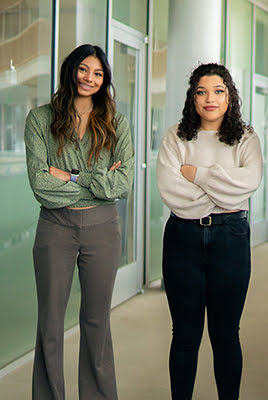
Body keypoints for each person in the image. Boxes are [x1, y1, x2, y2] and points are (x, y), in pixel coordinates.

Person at [24, 44, 134, 399]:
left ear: (105, 80)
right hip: (55, 227)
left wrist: (71, 178)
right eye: (84, 70)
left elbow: (123, 184)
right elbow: (41, 185)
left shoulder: (116, 122)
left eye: (98, 73)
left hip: (102, 228)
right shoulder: (40, 120)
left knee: (97, 321)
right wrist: (97, 179)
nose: (90, 78)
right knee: (51, 324)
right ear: (71, 70)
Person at [156, 63, 263, 400]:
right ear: (192, 97)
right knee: (185, 335)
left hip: (230, 239)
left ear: (229, 96)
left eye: (218, 91)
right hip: (182, 238)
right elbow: (171, 190)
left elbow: (248, 184)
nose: (210, 99)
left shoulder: (245, 136)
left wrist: (198, 174)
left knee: (226, 334)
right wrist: (221, 190)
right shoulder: (175, 135)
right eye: (201, 91)